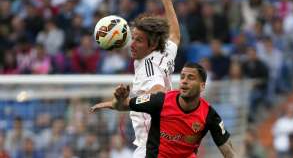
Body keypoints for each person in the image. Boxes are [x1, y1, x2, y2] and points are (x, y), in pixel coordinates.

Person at [91, 0, 180, 158]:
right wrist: (167, 1)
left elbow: (158, 95)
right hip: (168, 144)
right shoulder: (164, 51)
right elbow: (175, 35)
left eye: (139, 40)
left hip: (152, 147)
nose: (132, 44)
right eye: (133, 37)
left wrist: (123, 103)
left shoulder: (149, 68)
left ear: (152, 44)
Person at [91, 63, 235, 158]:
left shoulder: (209, 115)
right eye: (183, 77)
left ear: (202, 86)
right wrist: (117, 99)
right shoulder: (161, 101)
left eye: (190, 78)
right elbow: (123, 106)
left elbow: (228, 151)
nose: (184, 81)